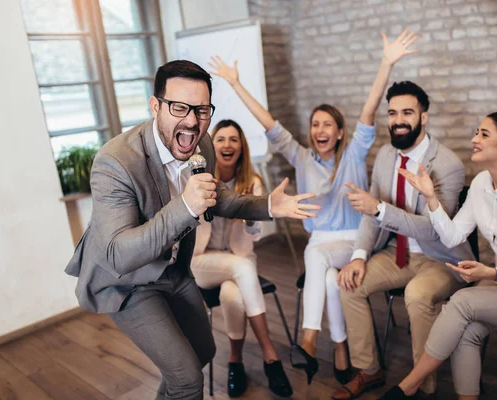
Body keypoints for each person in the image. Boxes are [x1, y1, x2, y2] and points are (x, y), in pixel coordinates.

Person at [64, 60, 320, 400]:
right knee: (186, 379)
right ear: (156, 106)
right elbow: (118, 254)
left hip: (175, 270)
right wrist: (184, 206)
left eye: (201, 110)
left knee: (202, 353)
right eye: (179, 107)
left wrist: (268, 206)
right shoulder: (117, 162)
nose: (192, 121)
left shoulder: (204, 143)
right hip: (127, 282)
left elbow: (215, 197)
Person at [208, 28, 420, 385]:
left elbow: (369, 110)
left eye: (328, 124)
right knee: (329, 280)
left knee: (317, 259)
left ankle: (308, 339)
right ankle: (340, 352)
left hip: (356, 240)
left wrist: (386, 63)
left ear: (339, 133)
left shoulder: (353, 153)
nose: (320, 129)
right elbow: (268, 121)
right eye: (315, 124)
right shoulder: (301, 157)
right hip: (321, 241)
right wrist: (235, 84)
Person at [380, 111, 497, 400]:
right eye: (476, 133)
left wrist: (492, 273)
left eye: (484, 134)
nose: (474, 139)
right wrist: (431, 198)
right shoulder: (482, 183)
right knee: (466, 330)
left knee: (460, 302)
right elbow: (453, 236)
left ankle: (407, 386)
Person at [332, 79, 476, 400]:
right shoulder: (385, 155)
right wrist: (358, 255)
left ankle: (422, 388)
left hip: (441, 257)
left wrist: (380, 209)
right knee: (347, 282)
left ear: (423, 117)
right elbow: (372, 213)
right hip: (395, 254)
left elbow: (433, 229)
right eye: (393, 113)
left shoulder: (448, 164)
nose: (398, 120)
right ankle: (368, 371)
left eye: (407, 113)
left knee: (417, 294)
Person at [190, 119, 291, 397]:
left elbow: (255, 236)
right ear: (212, 146)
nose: (227, 145)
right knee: (244, 268)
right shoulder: (199, 181)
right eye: (221, 139)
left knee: (233, 296)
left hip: (238, 261)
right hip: (203, 263)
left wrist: (249, 218)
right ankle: (270, 353)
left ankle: (235, 362)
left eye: (234, 139)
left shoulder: (253, 182)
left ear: (241, 147)